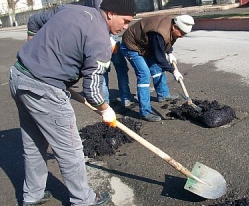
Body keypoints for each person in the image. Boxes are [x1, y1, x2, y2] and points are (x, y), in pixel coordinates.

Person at [9, 0, 136, 205]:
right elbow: (93, 92)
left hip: (19, 76)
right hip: (44, 90)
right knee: (71, 150)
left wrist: (35, 50)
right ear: (111, 14)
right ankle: (83, 200)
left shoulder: (73, 9)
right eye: (126, 21)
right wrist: (106, 110)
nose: (126, 27)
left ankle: (33, 195)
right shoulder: (100, 40)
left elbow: (34, 21)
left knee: (34, 144)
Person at [120, 14, 195, 122]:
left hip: (146, 44)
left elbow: (165, 42)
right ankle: (145, 112)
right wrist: (174, 71)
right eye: (182, 33)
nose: (182, 36)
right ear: (175, 27)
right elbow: (159, 57)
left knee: (157, 68)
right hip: (131, 45)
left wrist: (169, 52)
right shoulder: (158, 32)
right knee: (144, 75)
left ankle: (163, 95)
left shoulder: (171, 25)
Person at [84, 0, 133, 108]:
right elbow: (103, 15)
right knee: (119, 68)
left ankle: (106, 102)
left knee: (101, 70)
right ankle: (124, 99)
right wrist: (109, 38)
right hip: (108, 35)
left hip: (98, 34)